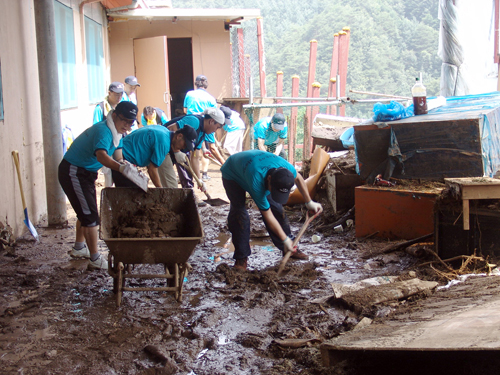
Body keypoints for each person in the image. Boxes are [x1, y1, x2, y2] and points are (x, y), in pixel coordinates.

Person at [58, 101, 138, 270]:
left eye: (131, 122)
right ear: (114, 115)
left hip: (85, 173)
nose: (127, 126)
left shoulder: (117, 133)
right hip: (74, 171)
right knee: (91, 216)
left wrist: (126, 166)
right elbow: (102, 156)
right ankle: (95, 259)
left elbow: (118, 154)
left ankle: (80, 248)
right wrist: (121, 168)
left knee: (85, 209)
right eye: (124, 120)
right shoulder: (104, 131)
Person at [220, 150, 323, 271]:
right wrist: (285, 239)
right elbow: (268, 216)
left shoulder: (287, 170)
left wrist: (309, 202)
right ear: (269, 179)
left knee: (278, 209)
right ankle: (241, 257)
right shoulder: (256, 181)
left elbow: (299, 178)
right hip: (233, 173)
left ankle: (289, 248)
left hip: (254, 165)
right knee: (240, 214)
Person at [111, 125, 197, 188]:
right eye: (185, 144)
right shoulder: (164, 143)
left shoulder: (164, 132)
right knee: (132, 195)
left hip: (120, 153)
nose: (184, 148)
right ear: (179, 136)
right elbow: (152, 170)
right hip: (122, 160)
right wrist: (160, 189)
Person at [164, 107, 226, 192]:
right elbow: (170, 129)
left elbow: (195, 157)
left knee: (170, 185)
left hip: (170, 153)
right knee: (171, 185)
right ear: (211, 121)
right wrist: (176, 151)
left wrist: (199, 180)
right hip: (162, 149)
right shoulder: (194, 121)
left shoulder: (202, 134)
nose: (215, 131)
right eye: (217, 127)